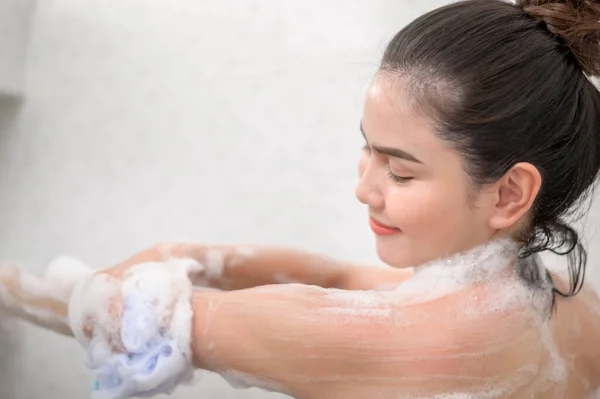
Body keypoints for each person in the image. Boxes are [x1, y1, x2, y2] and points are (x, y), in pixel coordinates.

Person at [2, 0, 600, 397]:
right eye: (368, 150)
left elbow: (129, 316)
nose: (364, 187)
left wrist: (16, 289)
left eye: (400, 172)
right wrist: (180, 252)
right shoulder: (569, 305)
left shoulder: (397, 338)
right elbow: (340, 276)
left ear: (510, 193)